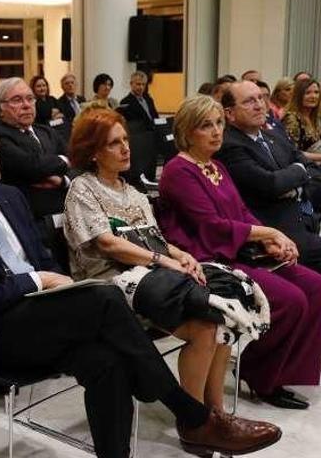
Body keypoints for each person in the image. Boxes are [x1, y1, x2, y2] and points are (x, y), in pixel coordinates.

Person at [0, 116, 280, 458]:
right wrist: (37, 282)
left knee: (109, 360)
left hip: (44, 317)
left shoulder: (10, 197)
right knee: (104, 296)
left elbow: (45, 259)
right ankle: (191, 416)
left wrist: (55, 287)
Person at [64, 108, 267, 415]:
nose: (125, 148)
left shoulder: (132, 192)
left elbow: (156, 240)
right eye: (113, 143)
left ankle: (216, 412)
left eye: (125, 139)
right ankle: (195, 419)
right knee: (206, 324)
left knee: (223, 313)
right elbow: (108, 243)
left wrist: (182, 255)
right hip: (106, 288)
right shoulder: (83, 188)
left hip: (150, 279)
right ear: (93, 152)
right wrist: (164, 259)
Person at [159, 94, 321, 409]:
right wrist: (268, 232)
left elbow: (241, 211)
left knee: (317, 287)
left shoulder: (217, 165)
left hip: (238, 251)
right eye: (205, 126)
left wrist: (269, 240)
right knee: (290, 300)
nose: (215, 132)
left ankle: (283, 370)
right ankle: (260, 375)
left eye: (219, 124)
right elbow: (210, 226)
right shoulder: (178, 171)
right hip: (208, 259)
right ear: (187, 131)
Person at [215, 81, 321, 280]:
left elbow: (315, 172)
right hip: (276, 230)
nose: (259, 105)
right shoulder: (230, 145)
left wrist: (294, 185)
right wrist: (298, 171)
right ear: (229, 114)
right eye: (249, 101)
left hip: (306, 216)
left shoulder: (274, 135)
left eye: (261, 98)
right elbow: (271, 185)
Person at [0, 77, 71, 268]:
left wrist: (63, 180)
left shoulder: (45, 131)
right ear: (0, 108)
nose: (26, 105)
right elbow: (32, 166)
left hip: (66, 214)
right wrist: (63, 160)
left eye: (30, 98)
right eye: (17, 100)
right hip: (32, 220)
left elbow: (77, 162)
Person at [282, 78, 321, 163]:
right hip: (302, 168)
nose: (313, 96)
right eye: (307, 93)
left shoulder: (315, 117)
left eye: (316, 92)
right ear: (298, 96)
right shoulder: (292, 119)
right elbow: (292, 152)